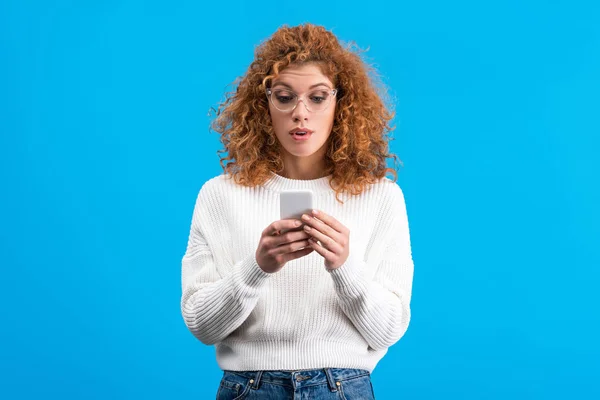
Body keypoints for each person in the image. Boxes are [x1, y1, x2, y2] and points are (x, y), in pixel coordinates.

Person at [180, 23, 414, 399]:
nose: (300, 113)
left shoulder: (381, 197)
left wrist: (345, 267)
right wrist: (257, 267)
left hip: (341, 388)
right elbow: (202, 325)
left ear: (341, 102)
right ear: (264, 104)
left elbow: (387, 331)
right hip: (248, 388)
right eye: (285, 97)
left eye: (318, 97)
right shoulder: (219, 195)